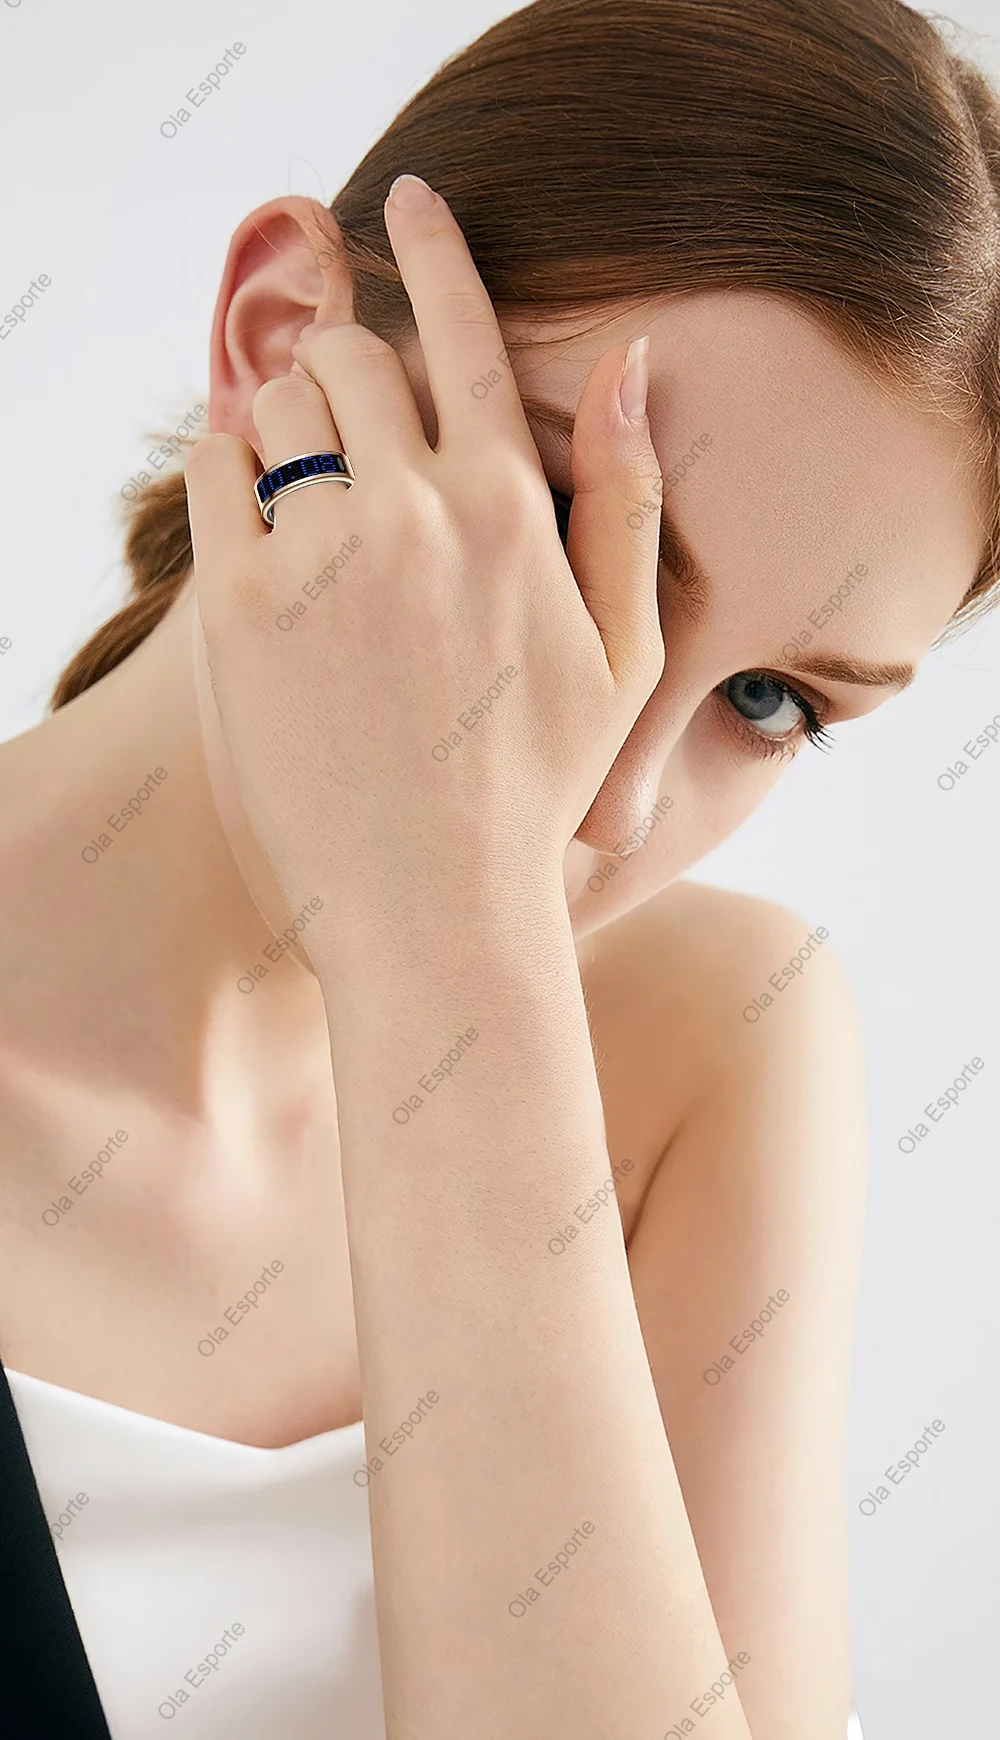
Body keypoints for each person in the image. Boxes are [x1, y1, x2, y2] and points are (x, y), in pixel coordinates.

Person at [0, 0, 997, 1735]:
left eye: (766, 701)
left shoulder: (713, 1052)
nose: (612, 797)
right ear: (283, 346)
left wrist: (443, 954)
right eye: (558, 527)